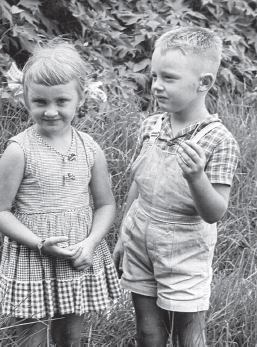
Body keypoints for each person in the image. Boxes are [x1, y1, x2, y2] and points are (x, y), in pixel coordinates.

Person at [0, 38, 120, 346]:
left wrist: (91, 242)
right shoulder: (19, 150)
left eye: (61, 101)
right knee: (31, 336)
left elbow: (105, 205)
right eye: (40, 102)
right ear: (25, 98)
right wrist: (38, 243)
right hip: (33, 255)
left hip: (77, 254)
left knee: (71, 335)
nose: (50, 112)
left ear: (80, 98)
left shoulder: (90, 149)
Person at [113, 26, 240, 346]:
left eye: (168, 78)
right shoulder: (151, 125)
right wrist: (123, 236)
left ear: (204, 83)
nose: (156, 86)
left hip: (185, 247)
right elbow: (138, 184)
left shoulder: (218, 141)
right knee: (147, 328)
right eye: (154, 76)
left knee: (187, 331)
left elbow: (214, 212)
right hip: (140, 237)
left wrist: (197, 177)